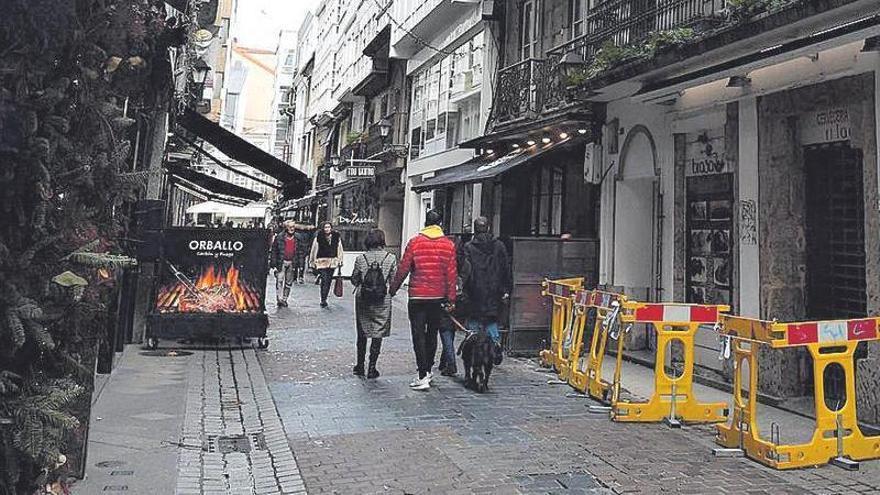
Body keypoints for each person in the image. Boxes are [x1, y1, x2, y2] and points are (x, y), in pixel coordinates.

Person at [389, 210, 457, 391]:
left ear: (426, 223)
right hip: (437, 296)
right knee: (432, 333)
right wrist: (451, 299)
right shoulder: (448, 245)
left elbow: (403, 269)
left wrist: (393, 289)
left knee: (418, 334)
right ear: (440, 223)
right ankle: (428, 370)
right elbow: (451, 275)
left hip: (418, 296)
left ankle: (422, 373)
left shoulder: (415, 243)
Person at [350, 229, 398, 379]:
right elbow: (394, 279)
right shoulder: (390, 258)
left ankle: (359, 365)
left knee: (362, 331)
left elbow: (354, 279)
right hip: (383, 299)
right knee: (378, 332)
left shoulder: (361, 258)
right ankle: (372, 367)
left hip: (363, 298)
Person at [462, 216, 510, 365]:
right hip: (494, 291)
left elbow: (465, 271)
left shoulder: (469, 247)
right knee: (491, 319)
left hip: (474, 292)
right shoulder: (499, 246)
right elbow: (505, 269)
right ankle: (495, 343)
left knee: (474, 320)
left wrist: (464, 289)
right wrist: (506, 289)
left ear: (475, 230)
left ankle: (471, 341)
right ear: (488, 228)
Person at [438, 237, 471, 377]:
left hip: (447, 299)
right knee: (451, 330)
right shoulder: (466, 264)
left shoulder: (445, 263)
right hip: (463, 301)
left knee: (446, 331)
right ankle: (444, 360)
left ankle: (450, 363)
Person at [309, 221, 344, 308]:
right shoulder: (319, 237)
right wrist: (312, 261)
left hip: (332, 261)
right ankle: (323, 299)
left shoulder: (336, 236)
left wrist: (340, 260)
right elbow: (314, 249)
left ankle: (325, 296)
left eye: (329, 227)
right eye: (325, 227)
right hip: (322, 261)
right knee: (324, 279)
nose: (327, 229)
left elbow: (339, 248)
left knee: (328, 280)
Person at [270, 220, 298, 307]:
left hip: (292, 262)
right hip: (281, 262)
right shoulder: (280, 237)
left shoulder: (297, 238)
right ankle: (279, 299)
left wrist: (300, 265)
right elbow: (274, 251)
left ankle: (285, 299)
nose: (292, 229)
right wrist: (273, 264)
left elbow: (300, 251)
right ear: (286, 228)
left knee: (289, 282)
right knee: (279, 280)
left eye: (293, 227)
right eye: (290, 227)